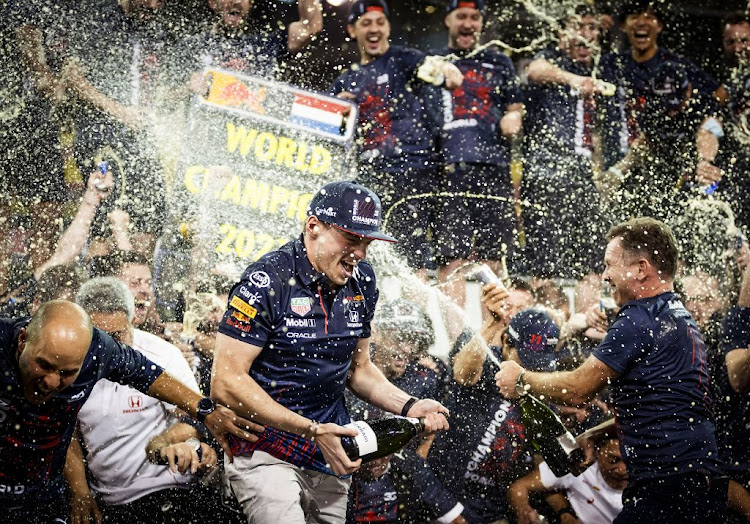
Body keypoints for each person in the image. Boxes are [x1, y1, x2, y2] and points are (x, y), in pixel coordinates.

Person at [211, 181, 450, 523]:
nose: (361, 253)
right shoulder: (267, 280)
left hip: (333, 451)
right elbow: (225, 381)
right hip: (266, 448)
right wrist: (311, 429)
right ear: (313, 227)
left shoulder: (362, 280)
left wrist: (409, 404)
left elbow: (359, 368)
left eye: (367, 242)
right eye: (351, 239)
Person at [495, 217, 728, 523]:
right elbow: (669, 406)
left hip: (664, 488)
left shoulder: (638, 319)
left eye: (609, 265)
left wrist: (521, 378)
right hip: (699, 481)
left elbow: (578, 389)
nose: (605, 275)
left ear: (641, 269)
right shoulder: (681, 317)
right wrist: (595, 434)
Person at [0, 299, 260, 522]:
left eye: (67, 373)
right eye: (43, 365)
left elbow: (149, 375)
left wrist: (206, 410)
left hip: (44, 490)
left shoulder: (98, 350)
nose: (52, 382)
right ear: (23, 340)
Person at [67, 277, 219, 523]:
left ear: (132, 320)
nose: (108, 347)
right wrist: (80, 492)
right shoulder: (71, 362)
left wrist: (174, 443)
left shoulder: (162, 355)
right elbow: (67, 433)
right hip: (110, 500)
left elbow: (195, 417)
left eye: (117, 335)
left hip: (167, 488)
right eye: (99, 337)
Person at [330, 0, 463, 270]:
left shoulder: (405, 59)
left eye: (380, 22)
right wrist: (339, 111)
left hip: (414, 170)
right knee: (371, 253)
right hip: (370, 176)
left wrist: (446, 71)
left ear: (389, 27)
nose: (374, 29)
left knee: (412, 256)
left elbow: (442, 71)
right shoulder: (345, 81)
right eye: (366, 23)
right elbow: (332, 137)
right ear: (352, 30)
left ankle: (413, 312)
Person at [432, 0, 523, 311]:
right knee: (451, 257)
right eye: (461, 17)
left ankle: (493, 336)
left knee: (493, 257)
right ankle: (456, 343)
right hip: (448, 169)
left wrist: (514, 119)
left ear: (482, 23)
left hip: (494, 167)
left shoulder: (500, 62)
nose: (468, 24)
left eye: (474, 17)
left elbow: (515, 108)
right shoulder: (433, 62)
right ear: (448, 20)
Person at [522, 5, 612, 278]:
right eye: (578, 27)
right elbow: (534, 70)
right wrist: (574, 80)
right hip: (545, 176)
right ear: (562, 33)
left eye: (592, 28)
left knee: (594, 268)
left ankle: (590, 322)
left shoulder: (601, 69)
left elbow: (594, 135)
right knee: (545, 271)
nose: (585, 35)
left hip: (582, 178)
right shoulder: (552, 59)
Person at [509, 434, 627, 524]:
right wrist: (524, 512)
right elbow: (519, 487)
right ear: (599, 452)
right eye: (613, 460)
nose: (622, 470)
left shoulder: (644, 481)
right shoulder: (580, 467)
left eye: (629, 461)